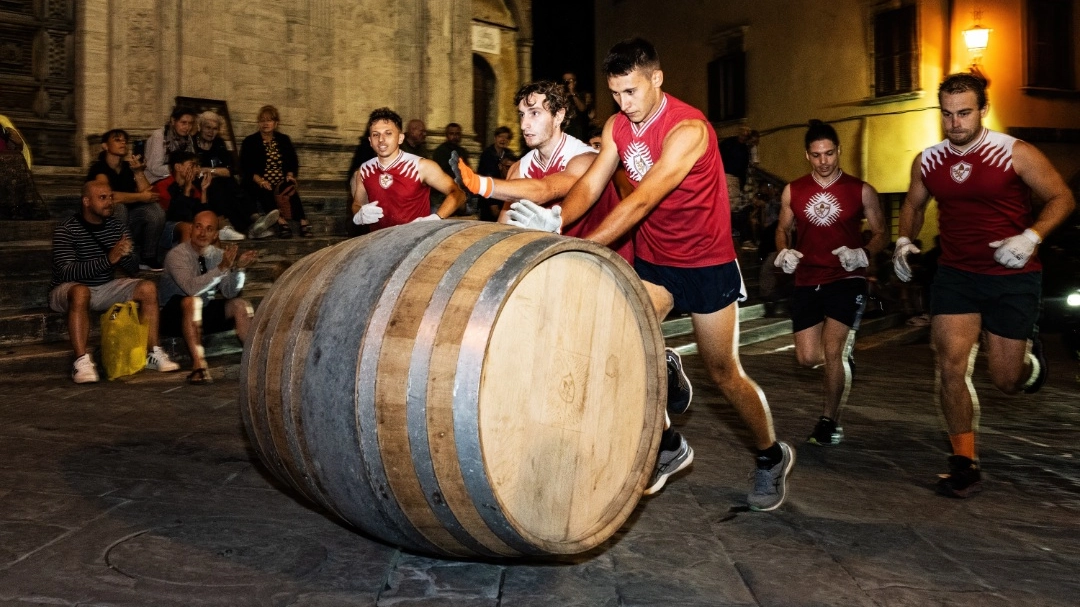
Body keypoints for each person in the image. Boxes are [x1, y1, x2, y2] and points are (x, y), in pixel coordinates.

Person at [505, 38, 794, 511]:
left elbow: (641, 201)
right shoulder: (618, 125)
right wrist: (557, 220)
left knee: (724, 372)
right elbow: (592, 182)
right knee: (615, 340)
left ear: (656, 79)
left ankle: (770, 453)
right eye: (616, 93)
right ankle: (667, 445)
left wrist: (582, 244)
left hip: (706, 263)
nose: (624, 104)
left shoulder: (688, 129)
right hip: (657, 262)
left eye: (632, 91)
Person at [893, 72, 1076, 498]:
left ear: (982, 110)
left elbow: (1062, 197)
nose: (955, 122)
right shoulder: (928, 160)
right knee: (950, 366)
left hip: (1013, 275)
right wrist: (904, 240)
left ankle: (1032, 362)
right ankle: (964, 462)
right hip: (957, 276)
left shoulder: (1014, 152)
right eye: (947, 114)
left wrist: (1030, 237)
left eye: (964, 112)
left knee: (1006, 380)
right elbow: (913, 203)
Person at [774, 120, 887, 447]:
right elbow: (783, 228)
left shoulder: (861, 190)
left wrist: (863, 253)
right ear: (807, 156)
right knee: (807, 358)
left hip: (845, 278)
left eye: (829, 153)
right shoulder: (793, 190)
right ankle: (841, 364)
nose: (824, 161)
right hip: (808, 278)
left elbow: (881, 233)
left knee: (833, 350)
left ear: (838, 151)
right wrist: (783, 252)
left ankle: (829, 421)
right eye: (816, 155)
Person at [452, 79, 633, 264]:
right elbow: (505, 228)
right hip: (560, 263)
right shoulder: (518, 169)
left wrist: (478, 183)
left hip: (607, 264)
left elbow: (546, 190)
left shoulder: (586, 158)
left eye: (534, 113)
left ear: (558, 116)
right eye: (522, 115)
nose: (524, 125)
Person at [48, 181, 181, 383]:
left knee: (147, 288)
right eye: (102, 198)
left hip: (104, 286)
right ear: (86, 201)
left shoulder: (116, 226)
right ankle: (81, 361)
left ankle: (153, 352)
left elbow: (133, 268)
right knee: (81, 291)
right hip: (67, 290)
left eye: (110, 197)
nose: (109, 202)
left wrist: (125, 255)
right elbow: (67, 272)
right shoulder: (67, 229)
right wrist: (108, 260)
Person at [158, 210, 257, 385]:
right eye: (198, 227)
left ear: (215, 235)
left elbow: (229, 292)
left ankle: (255, 361)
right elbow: (191, 288)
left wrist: (239, 270)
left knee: (240, 304)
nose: (202, 233)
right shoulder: (177, 255)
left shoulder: (217, 255)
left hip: (203, 309)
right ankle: (199, 366)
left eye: (209, 229)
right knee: (192, 301)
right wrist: (221, 269)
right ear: (191, 230)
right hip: (173, 315)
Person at [350, 107, 466, 230]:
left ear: (400, 138)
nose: (381, 140)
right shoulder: (364, 170)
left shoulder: (422, 166)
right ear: (370, 141)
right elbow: (357, 204)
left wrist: (436, 217)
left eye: (388, 133)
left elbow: (458, 194)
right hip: (380, 244)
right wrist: (359, 214)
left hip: (415, 243)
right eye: (375, 135)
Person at [86, 129, 166, 270]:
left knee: (155, 210)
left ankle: (148, 257)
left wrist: (139, 172)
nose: (123, 143)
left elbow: (149, 195)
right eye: (117, 140)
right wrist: (139, 197)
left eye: (125, 140)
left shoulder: (127, 168)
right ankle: (118, 256)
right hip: (103, 223)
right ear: (105, 146)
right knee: (119, 208)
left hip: (129, 220)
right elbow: (107, 196)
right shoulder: (99, 167)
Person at [194, 111, 278, 239]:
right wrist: (216, 171)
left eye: (215, 128)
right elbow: (195, 171)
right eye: (208, 127)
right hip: (201, 184)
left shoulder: (219, 143)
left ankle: (256, 221)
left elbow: (229, 170)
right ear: (200, 127)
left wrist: (209, 170)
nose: (211, 132)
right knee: (218, 186)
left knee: (232, 184)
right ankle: (229, 226)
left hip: (220, 181)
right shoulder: (193, 143)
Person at [240, 105, 312, 238]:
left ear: (276, 123)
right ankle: (280, 221)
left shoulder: (284, 140)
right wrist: (260, 180)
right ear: (258, 123)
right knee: (265, 189)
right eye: (262, 120)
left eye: (269, 120)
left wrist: (290, 175)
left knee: (289, 187)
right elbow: (245, 166)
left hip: (280, 180)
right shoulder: (250, 141)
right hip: (258, 180)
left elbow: (292, 161)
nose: (265, 123)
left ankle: (303, 221)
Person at [143, 106, 197, 185]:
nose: (187, 127)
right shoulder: (159, 135)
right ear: (173, 120)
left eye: (190, 123)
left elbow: (191, 160)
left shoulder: (188, 138)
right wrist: (179, 169)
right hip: (156, 180)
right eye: (183, 123)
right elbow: (154, 168)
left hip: (180, 179)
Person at [430, 122, 470, 213]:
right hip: (442, 194)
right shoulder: (440, 151)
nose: (454, 136)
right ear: (447, 135)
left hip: (458, 192)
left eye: (457, 134)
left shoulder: (462, 152)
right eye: (452, 134)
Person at [561, 72, 594, 140]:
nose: (567, 82)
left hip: (578, 129)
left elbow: (582, 108)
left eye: (570, 80)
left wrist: (572, 93)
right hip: (563, 128)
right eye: (565, 80)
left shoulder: (582, 94)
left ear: (575, 82)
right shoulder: (560, 95)